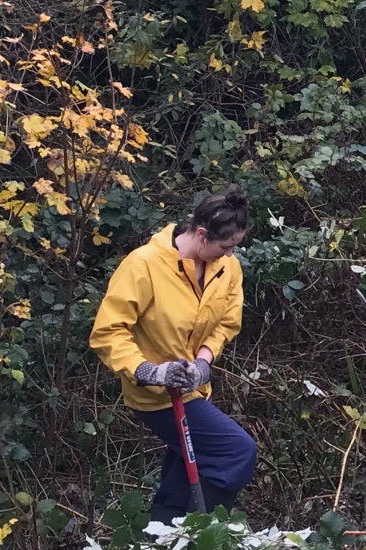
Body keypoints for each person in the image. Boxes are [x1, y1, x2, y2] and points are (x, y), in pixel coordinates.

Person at [91, 187, 258, 525]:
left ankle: (159, 539)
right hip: (155, 396)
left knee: (183, 474)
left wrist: (203, 362)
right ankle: (195, 532)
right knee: (235, 452)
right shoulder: (144, 265)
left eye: (234, 248)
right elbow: (108, 332)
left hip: (193, 391)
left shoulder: (227, 268)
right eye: (225, 247)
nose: (229, 255)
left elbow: (226, 322)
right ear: (201, 235)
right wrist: (149, 371)